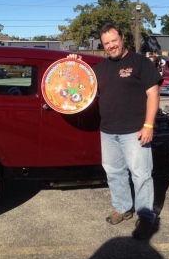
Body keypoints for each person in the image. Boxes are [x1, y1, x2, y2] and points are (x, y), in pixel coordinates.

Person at [68, 23, 163, 240]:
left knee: (141, 174)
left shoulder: (140, 62)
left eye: (114, 40)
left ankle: (146, 217)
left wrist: (149, 125)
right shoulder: (100, 69)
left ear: (122, 39)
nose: (111, 46)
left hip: (135, 132)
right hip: (108, 132)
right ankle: (122, 208)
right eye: (106, 43)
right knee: (114, 173)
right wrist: (73, 65)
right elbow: (79, 85)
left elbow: (153, 94)